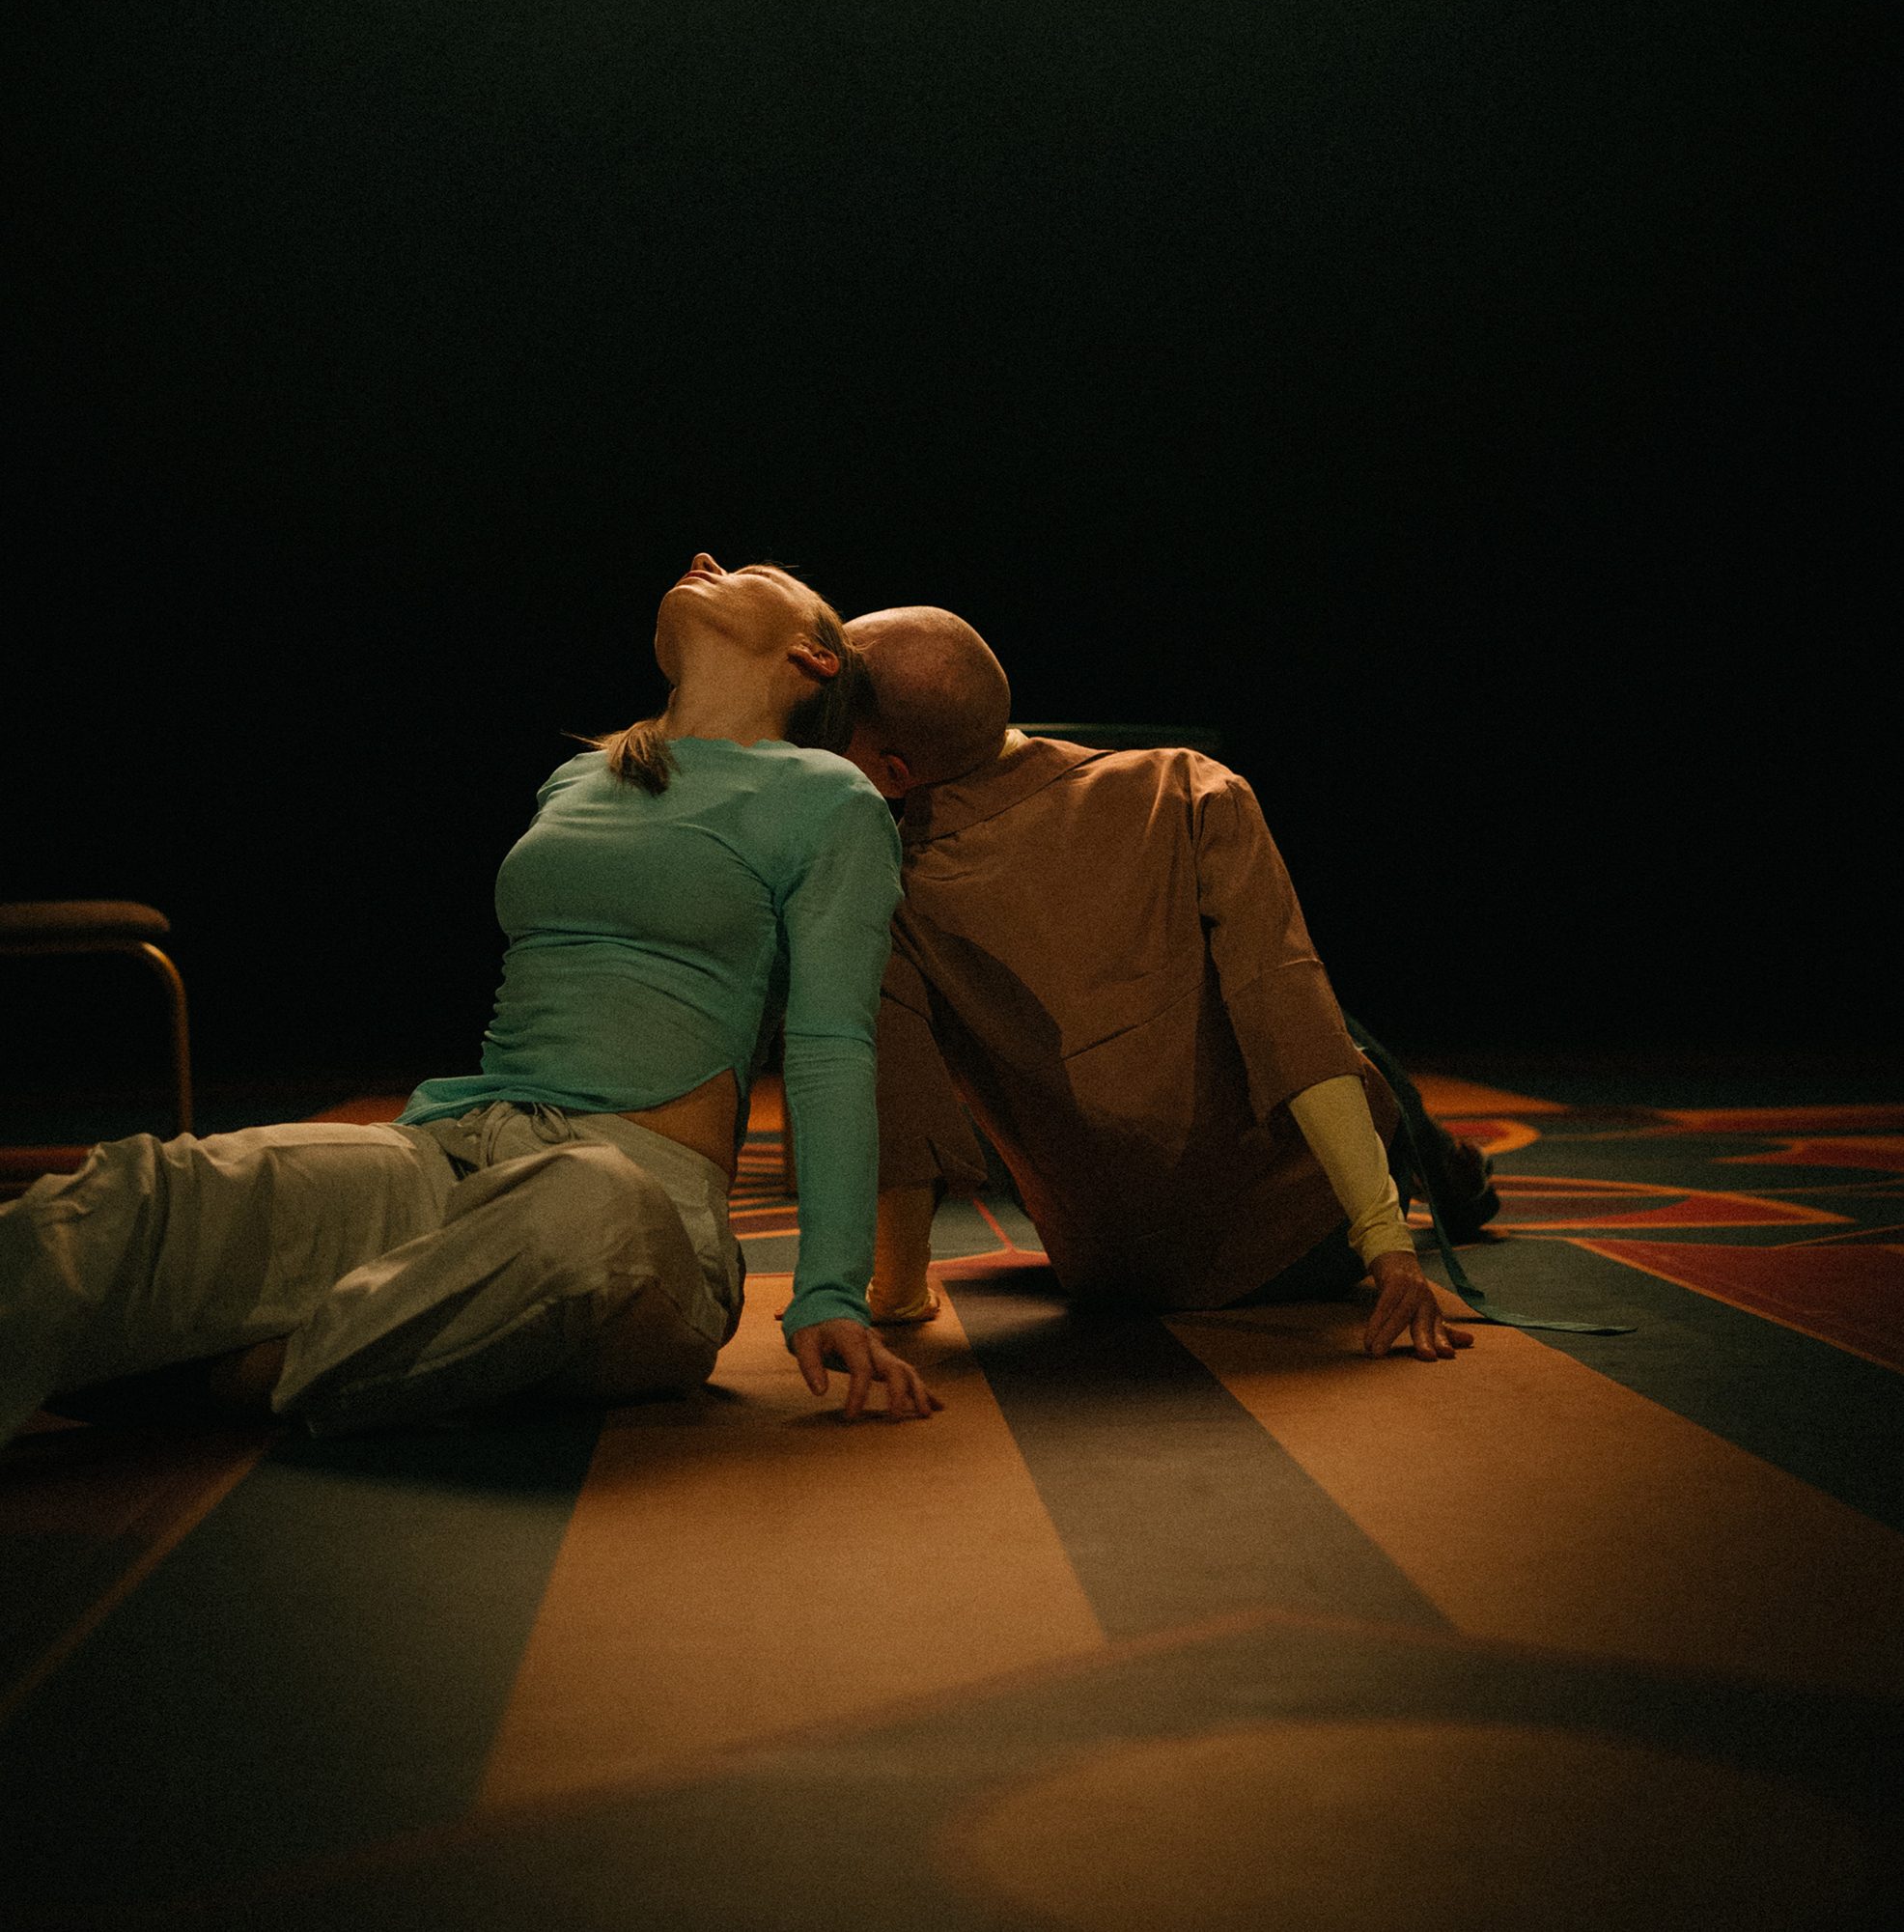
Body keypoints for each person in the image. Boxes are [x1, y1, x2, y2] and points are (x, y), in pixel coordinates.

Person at [0, 557, 939, 1448]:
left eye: (749, 571)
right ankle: (254, 1355)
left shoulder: (829, 802)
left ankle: (224, 1377)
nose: (705, 559)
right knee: (145, 1189)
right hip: (449, 1151)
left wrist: (829, 1291)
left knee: (589, 1208)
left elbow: (830, 1046)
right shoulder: (582, 776)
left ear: (812, 656)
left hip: (639, 1201)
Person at [843, 605, 1487, 1365]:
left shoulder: (882, 893)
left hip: (1117, 1273)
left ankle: (1447, 1167)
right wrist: (1388, 1250)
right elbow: (1291, 1016)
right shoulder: (1187, 787)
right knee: (1298, 998)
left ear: (893, 772)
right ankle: (1451, 1174)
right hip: (1306, 1250)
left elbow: (906, 1111)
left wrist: (895, 1294)